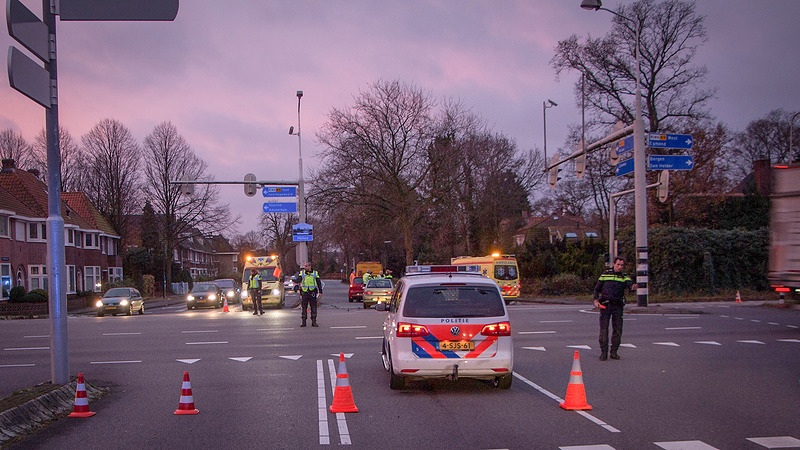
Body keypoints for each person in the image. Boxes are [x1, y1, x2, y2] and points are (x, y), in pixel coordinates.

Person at [593, 256, 637, 361]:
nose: (620, 267)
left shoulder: (624, 276)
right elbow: (597, 288)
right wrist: (595, 300)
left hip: (617, 306)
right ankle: (604, 353)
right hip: (605, 305)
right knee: (604, 329)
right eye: (618, 265)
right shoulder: (605, 274)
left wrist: (633, 287)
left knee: (617, 329)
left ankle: (614, 352)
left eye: (622, 265)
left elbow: (629, 285)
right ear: (614, 264)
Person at [298, 261, 323, 327]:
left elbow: (318, 283)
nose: (305, 267)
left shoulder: (315, 273)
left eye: (306, 266)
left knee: (313, 307)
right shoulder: (302, 273)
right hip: (304, 292)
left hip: (312, 293)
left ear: (310, 266)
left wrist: (320, 292)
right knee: (304, 308)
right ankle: (303, 322)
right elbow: (298, 280)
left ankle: (314, 321)